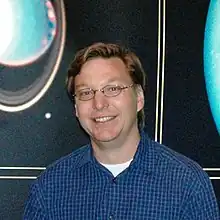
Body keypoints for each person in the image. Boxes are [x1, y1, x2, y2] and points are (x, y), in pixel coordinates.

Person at [23, 42, 219, 219]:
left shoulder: (187, 183)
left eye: (113, 89)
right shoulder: (50, 188)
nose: (99, 104)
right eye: (85, 93)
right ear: (76, 108)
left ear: (139, 98)